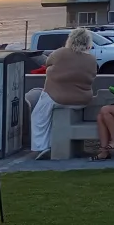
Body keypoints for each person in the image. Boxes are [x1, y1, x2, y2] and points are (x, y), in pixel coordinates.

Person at [29, 28, 97, 160]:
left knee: (39, 117)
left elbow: (47, 63)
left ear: (70, 39)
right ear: (88, 42)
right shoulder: (91, 59)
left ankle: (42, 147)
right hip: (82, 101)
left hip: (57, 98)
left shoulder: (60, 53)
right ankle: (50, 145)